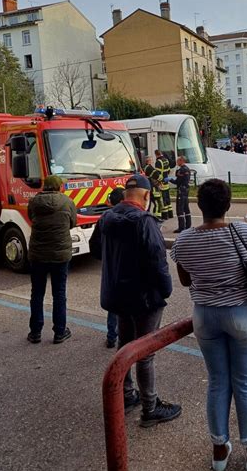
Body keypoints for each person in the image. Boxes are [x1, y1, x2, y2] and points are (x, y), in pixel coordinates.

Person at [171, 179, 247, 471]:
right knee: (245, 384)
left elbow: (185, 281)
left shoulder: (183, 240)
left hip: (205, 317)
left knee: (218, 382)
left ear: (200, 205)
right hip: (243, 316)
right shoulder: (244, 232)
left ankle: (219, 451)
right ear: (228, 205)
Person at [89, 174, 181, 426]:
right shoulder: (144, 221)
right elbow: (157, 261)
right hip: (145, 298)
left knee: (125, 344)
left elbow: (96, 249)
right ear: (146, 196)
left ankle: (127, 394)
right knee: (145, 352)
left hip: (118, 295)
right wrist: (165, 290)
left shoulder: (106, 217)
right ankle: (150, 408)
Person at [27, 175, 77, 344]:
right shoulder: (67, 202)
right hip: (60, 255)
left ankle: (35, 332)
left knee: (37, 293)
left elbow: (31, 218)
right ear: (59, 187)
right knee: (59, 294)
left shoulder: (34, 202)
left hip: (38, 255)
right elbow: (72, 223)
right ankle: (59, 332)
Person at [103, 187, 126, 348]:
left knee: (114, 304)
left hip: (112, 269)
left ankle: (112, 336)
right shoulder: (134, 217)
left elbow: (95, 245)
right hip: (128, 269)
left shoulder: (105, 218)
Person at [169, 155, 192, 233]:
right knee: (186, 208)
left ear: (181, 161)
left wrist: (170, 179)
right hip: (186, 190)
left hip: (181, 191)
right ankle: (188, 225)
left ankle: (181, 227)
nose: (177, 162)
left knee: (180, 209)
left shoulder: (181, 170)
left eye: (178, 160)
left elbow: (177, 181)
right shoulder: (187, 169)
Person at [155, 149, 173, 220]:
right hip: (166, 181)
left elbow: (157, 174)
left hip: (161, 183)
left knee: (163, 199)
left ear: (156, 154)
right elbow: (168, 170)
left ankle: (165, 215)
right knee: (168, 198)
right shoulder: (166, 160)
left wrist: (158, 181)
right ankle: (170, 214)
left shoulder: (158, 162)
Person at [143, 155, 163, 220]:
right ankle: (157, 218)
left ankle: (146, 217)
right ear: (148, 161)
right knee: (158, 203)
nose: (152, 161)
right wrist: (162, 178)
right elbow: (157, 176)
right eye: (151, 160)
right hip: (153, 188)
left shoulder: (145, 167)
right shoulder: (149, 168)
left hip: (149, 187)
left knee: (148, 204)